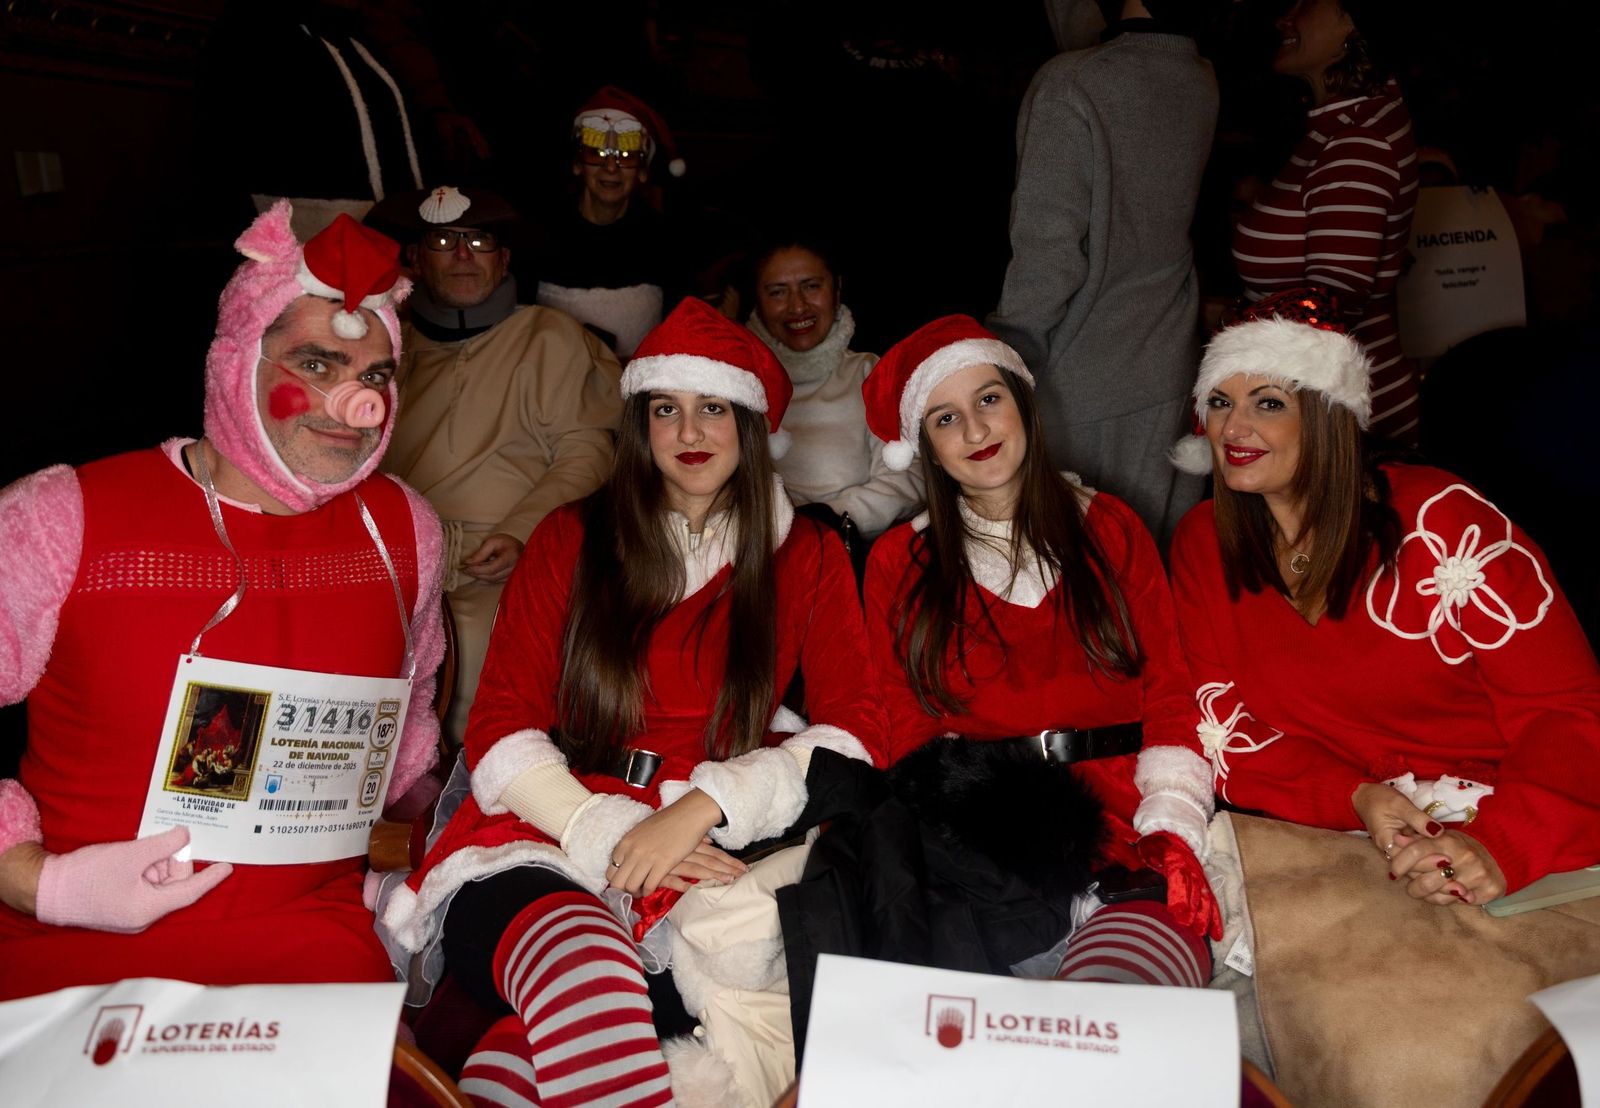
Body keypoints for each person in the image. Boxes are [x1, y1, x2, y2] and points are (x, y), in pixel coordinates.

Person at [378, 297, 886, 1105]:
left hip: (710, 847)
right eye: (666, 409)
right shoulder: (572, 537)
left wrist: (705, 809)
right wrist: (605, 830)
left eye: (713, 408)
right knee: (585, 972)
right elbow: (501, 723)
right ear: (640, 423)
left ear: (750, 425)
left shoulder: (807, 553)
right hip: (544, 829)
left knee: (546, 1048)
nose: (688, 433)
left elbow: (859, 732)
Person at [0, 204, 445, 999]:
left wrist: (429, 848)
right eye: (316, 365)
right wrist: (37, 881)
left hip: (312, 948)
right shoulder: (58, 518)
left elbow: (409, 740)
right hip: (67, 954)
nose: (358, 406)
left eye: (375, 375)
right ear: (238, 362)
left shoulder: (406, 529)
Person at [784, 317, 1217, 1026]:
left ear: (1022, 403)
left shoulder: (1109, 525)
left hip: (1126, 821)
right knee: (968, 1040)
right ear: (923, 445)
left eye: (989, 400)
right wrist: (974, 840)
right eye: (945, 417)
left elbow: (1170, 686)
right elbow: (903, 722)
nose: (975, 429)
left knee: (1113, 1023)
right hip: (981, 846)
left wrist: (1171, 818)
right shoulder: (901, 562)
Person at [1167, 287, 1600, 906]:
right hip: (1334, 835)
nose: (1235, 428)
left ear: (1326, 412)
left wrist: (1503, 845)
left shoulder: (1441, 519)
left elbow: (1568, 711)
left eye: (1268, 403)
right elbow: (1222, 727)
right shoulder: (1202, 545)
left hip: (1506, 827)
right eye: (1218, 402)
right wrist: (1354, 795)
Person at [377, 183, 623, 750]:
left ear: (503, 258)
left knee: (483, 663)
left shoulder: (551, 338)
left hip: (506, 562)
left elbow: (587, 452)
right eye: (444, 239)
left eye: (479, 240)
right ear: (415, 257)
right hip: (399, 563)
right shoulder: (387, 345)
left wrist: (522, 532)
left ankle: (473, 809)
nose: (463, 255)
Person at [987, 0, 1219, 546]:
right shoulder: (1199, 77)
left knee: (1076, 585)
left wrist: (999, 367)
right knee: (1156, 573)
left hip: (1078, 382)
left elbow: (1048, 254)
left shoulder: (1070, 84)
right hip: (1169, 364)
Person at [1231, 0, 1419, 441]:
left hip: (1341, 426)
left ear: (1355, 22)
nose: (1285, 17)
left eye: (1306, 3)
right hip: (1316, 411)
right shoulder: (1341, 126)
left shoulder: (1357, 140)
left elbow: (1330, 315)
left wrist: (1228, 332)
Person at [748, 237, 922, 541]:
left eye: (811, 286)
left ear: (836, 289)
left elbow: (907, 479)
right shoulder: (738, 385)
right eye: (777, 292)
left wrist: (825, 523)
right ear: (758, 302)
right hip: (761, 556)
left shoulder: (871, 372)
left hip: (855, 552)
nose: (797, 306)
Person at [533, 86, 685, 358]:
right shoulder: (539, 234)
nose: (611, 168)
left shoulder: (665, 240)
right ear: (578, 164)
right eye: (596, 154)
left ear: (641, 172)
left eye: (625, 157)